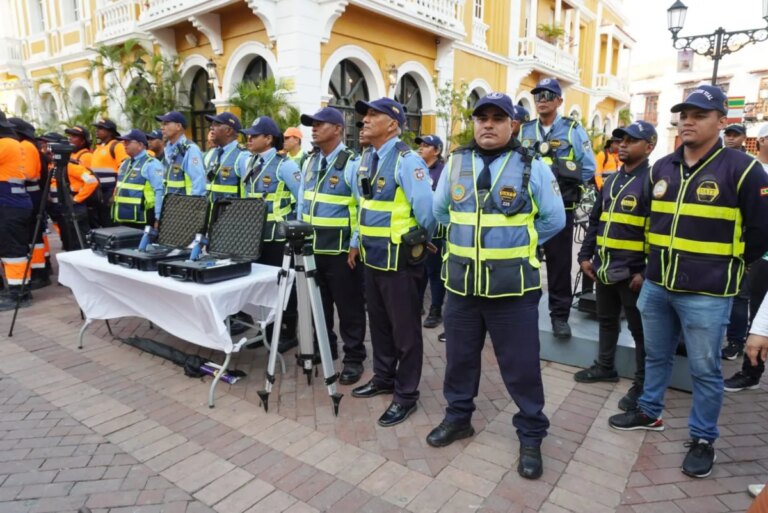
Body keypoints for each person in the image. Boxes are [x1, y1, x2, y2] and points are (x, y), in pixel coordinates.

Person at [608, 85, 768, 479]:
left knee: (704, 369)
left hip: (708, 293)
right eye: (684, 114)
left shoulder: (744, 169)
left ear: (721, 121)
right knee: (656, 356)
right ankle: (649, 411)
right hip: (658, 285)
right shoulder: (662, 167)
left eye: (699, 114)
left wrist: (725, 267)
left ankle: (702, 438)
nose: (689, 121)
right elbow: (645, 222)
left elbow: (761, 231)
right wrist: (642, 269)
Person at [426, 92, 565, 480]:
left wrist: (520, 245)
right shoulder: (456, 161)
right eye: (481, 118)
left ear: (512, 125)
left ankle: (532, 434)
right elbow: (440, 212)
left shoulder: (531, 164)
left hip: (513, 291)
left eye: (497, 118)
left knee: (520, 368)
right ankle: (458, 419)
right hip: (462, 287)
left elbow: (554, 220)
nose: (487, 124)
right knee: (459, 361)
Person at [350, 97, 436, 427]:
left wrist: (419, 240)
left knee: (406, 331)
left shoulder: (407, 160)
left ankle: (406, 394)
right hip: (373, 258)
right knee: (380, 325)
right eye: (364, 115)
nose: (365, 120)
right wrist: (357, 241)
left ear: (393, 124)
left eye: (374, 115)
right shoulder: (366, 158)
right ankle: (384, 377)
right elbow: (364, 206)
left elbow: (426, 209)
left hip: (400, 260)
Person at [574, 121, 657, 412]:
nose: (622, 145)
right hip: (605, 268)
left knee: (639, 331)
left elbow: (660, 231)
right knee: (606, 319)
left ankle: (643, 383)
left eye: (631, 140)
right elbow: (594, 221)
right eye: (620, 140)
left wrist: (646, 273)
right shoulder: (611, 180)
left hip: (633, 274)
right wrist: (585, 257)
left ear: (649, 147)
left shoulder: (653, 181)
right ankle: (605, 367)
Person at [520, 77, 596, 339]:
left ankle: (559, 316)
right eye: (538, 95)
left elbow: (588, 167)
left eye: (548, 95)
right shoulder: (525, 130)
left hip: (561, 206)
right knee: (525, 259)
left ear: (559, 101)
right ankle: (523, 310)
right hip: (528, 208)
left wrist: (561, 180)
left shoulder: (572, 129)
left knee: (559, 264)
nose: (542, 100)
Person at [297, 106, 367, 384]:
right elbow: (303, 202)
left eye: (320, 124)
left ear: (338, 129)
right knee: (319, 305)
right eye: (312, 124)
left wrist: (355, 243)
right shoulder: (310, 162)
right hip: (313, 248)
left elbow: (363, 207)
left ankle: (354, 357)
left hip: (341, 252)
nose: (314, 128)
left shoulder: (353, 163)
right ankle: (326, 348)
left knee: (348, 307)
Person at [239, 116, 302, 348]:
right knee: (261, 286)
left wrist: (293, 228)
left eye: (254, 136)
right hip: (255, 236)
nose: (249, 139)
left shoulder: (285, 165)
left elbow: (301, 199)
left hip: (278, 237)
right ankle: (266, 329)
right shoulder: (249, 163)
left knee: (284, 285)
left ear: (268, 139)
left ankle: (287, 332)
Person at [724, 123, 768, 390]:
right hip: (756, 255)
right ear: (761, 140)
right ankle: (750, 370)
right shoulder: (751, 170)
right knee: (754, 308)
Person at [9, 118, 49, 289]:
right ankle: (38, 269)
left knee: (34, 236)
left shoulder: (26, 146)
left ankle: (40, 272)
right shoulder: (28, 145)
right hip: (31, 194)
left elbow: (30, 173)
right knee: (34, 236)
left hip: (31, 194)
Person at [41, 132, 98, 252]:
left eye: (47, 143)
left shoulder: (70, 165)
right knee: (69, 241)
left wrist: (77, 199)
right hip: (62, 209)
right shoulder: (54, 165)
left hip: (75, 209)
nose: (44, 146)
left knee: (80, 242)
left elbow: (92, 181)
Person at [0, 112, 34, 311]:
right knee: (9, 248)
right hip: (10, 205)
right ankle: (16, 288)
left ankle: (19, 293)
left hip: (10, 206)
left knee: (13, 250)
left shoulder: (6, 143)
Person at [415, 134, 446, 329]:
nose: (421, 148)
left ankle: (436, 310)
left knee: (434, 272)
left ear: (436, 151)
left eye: (426, 146)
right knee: (419, 271)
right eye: (420, 145)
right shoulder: (417, 169)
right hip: (417, 232)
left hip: (436, 233)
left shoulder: (443, 172)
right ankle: (417, 305)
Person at [111, 129, 165, 228]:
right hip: (123, 218)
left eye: (128, 142)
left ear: (140, 145)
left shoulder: (151, 164)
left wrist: (158, 217)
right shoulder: (124, 163)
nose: (124, 144)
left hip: (142, 219)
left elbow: (159, 191)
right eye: (124, 142)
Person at [155, 111, 206, 196]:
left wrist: (193, 206)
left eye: (166, 123)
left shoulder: (190, 149)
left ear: (178, 126)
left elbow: (198, 183)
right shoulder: (167, 149)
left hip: (185, 207)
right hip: (169, 206)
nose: (162, 127)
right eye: (162, 124)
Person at [204, 112, 248, 204]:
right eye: (211, 124)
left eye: (216, 124)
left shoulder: (242, 156)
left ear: (228, 131)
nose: (211, 127)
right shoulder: (211, 154)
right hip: (212, 216)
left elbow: (248, 192)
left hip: (233, 215)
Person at [91, 119, 128, 227]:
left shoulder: (116, 146)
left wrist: (115, 193)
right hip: (99, 192)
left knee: (111, 222)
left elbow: (124, 169)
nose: (97, 131)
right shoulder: (99, 148)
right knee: (103, 222)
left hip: (110, 191)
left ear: (110, 132)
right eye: (97, 128)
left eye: (101, 128)